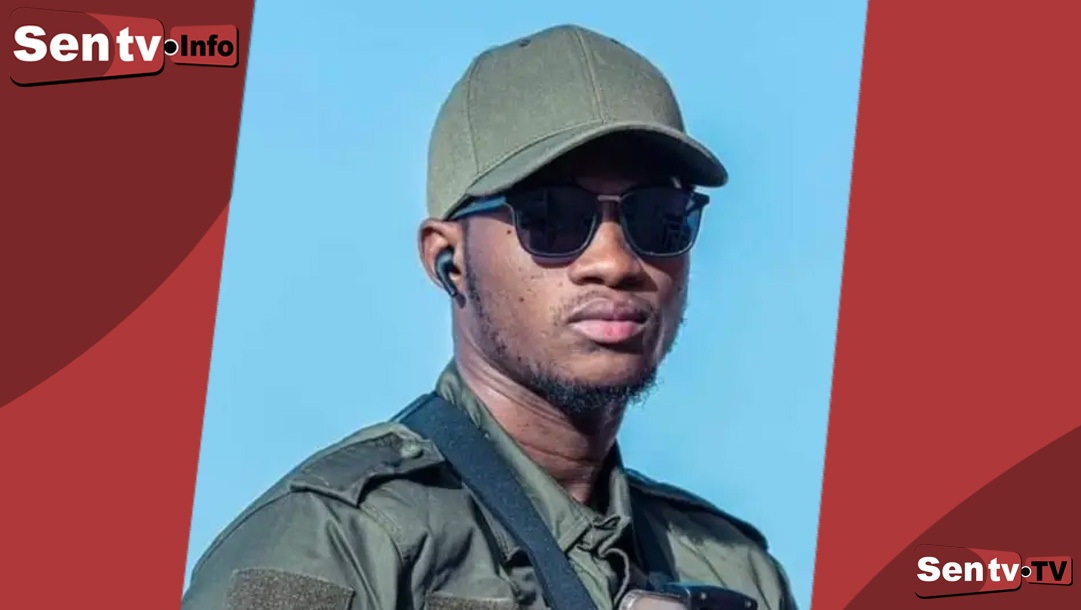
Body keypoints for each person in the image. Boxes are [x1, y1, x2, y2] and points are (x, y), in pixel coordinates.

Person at [182, 23, 797, 610]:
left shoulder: (732, 569)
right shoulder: (337, 545)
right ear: (448, 260)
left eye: (659, 217)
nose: (614, 262)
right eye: (551, 217)